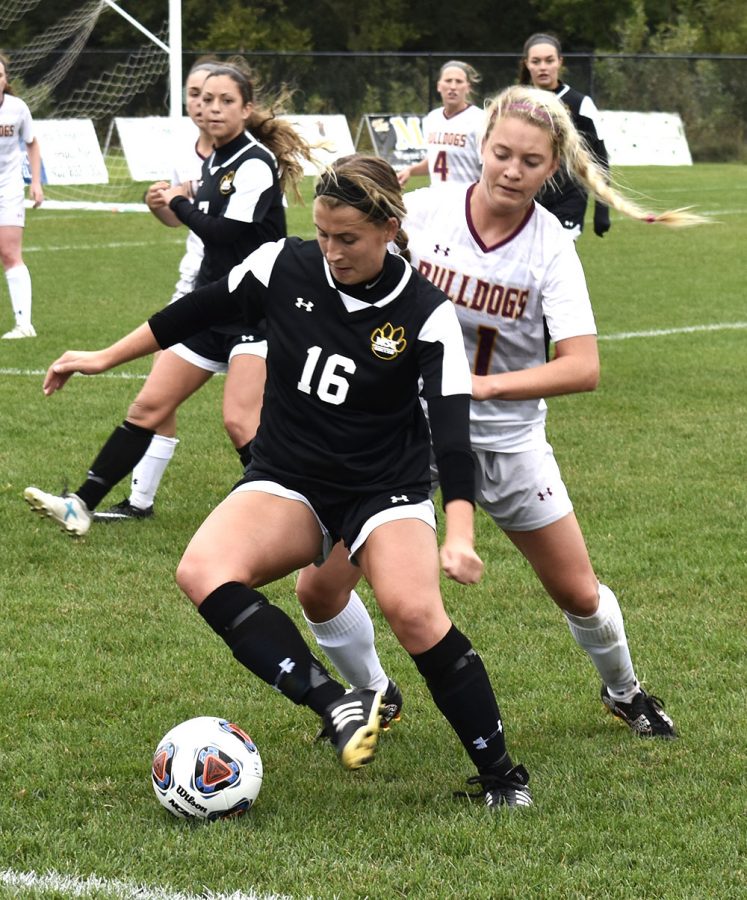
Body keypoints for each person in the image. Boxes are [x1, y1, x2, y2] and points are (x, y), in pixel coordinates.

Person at [33, 155, 533, 810]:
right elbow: (191, 313)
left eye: (347, 238)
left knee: (413, 613)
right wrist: (103, 356)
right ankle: (333, 704)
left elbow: (451, 433)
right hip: (291, 475)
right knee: (202, 569)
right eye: (323, 233)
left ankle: (500, 777)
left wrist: (459, 533)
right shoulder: (284, 264)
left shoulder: (424, 314)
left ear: (387, 227)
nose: (331, 250)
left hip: (384, 489)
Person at [296, 85, 706, 744]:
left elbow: (581, 366)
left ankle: (624, 690)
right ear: (478, 149)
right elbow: (352, 275)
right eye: (502, 154)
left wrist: (479, 388)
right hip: (410, 440)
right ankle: (373, 693)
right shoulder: (424, 215)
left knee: (577, 593)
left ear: (552, 169)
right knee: (318, 589)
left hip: (508, 441)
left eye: (531, 161)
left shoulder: (549, 246)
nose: (512, 171)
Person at [24, 60, 313, 535]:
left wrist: (179, 201)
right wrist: (175, 202)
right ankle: (81, 505)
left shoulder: (256, 162)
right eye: (205, 99)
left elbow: (225, 235)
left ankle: (294, 511)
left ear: (247, 108)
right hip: (210, 306)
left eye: (225, 101)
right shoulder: (214, 160)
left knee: (241, 423)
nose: (212, 108)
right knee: (147, 409)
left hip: (255, 311)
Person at [95, 58, 219, 522]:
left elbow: (235, 230)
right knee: (158, 390)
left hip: (243, 294)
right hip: (193, 282)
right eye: (194, 96)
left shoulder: (250, 156)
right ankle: (140, 500)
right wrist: (160, 206)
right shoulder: (184, 153)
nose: (202, 106)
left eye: (213, 97)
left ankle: (289, 498)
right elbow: (178, 218)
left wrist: (183, 202)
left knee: (246, 415)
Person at [519, 33, 611, 240]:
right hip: (525, 194)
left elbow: (600, 156)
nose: (543, 67)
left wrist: (602, 207)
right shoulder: (516, 102)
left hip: (568, 197)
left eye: (549, 60)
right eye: (536, 61)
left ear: (560, 62)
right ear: (527, 64)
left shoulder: (580, 104)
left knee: (557, 260)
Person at [0, 52, 43, 339]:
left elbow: (32, 142)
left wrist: (35, 183)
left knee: (9, 252)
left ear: (5, 79)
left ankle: (24, 324)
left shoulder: (17, 108)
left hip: (8, 187)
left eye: (0, 75)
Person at [397, 60, 483, 189]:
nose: (453, 86)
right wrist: (410, 170)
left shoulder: (480, 119)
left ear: (468, 87)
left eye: (459, 81)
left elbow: (489, 166)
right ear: (438, 86)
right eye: (448, 81)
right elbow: (435, 161)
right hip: (436, 199)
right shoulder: (432, 118)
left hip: (467, 200)